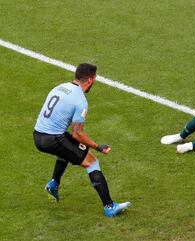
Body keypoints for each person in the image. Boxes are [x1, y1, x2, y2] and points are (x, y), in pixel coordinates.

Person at [33, 63, 130, 217]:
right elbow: (77, 133)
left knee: (69, 146)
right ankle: (109, 207)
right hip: (53, 139)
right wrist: (98, 147)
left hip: (38, 134)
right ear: (90, 80)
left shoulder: (60, 87)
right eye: (95, 78)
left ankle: (54, 183)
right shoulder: (80, 100)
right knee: (92, 161)